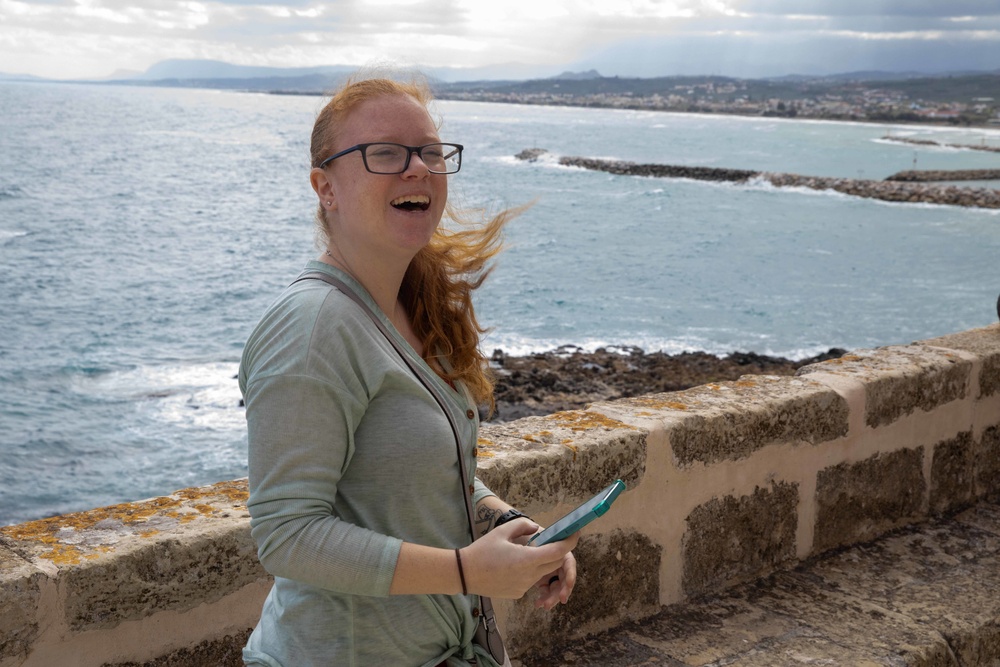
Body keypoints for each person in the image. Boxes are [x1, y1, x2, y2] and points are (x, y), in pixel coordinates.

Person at [239, 72, 578, 667]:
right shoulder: (313, 327)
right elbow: (287, 534)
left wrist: (513, 526)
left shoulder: (415, 310)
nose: (417, 167)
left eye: (428, 152)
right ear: (326, 188)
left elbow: (435, 475)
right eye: (385, 154)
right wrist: (466, 571)